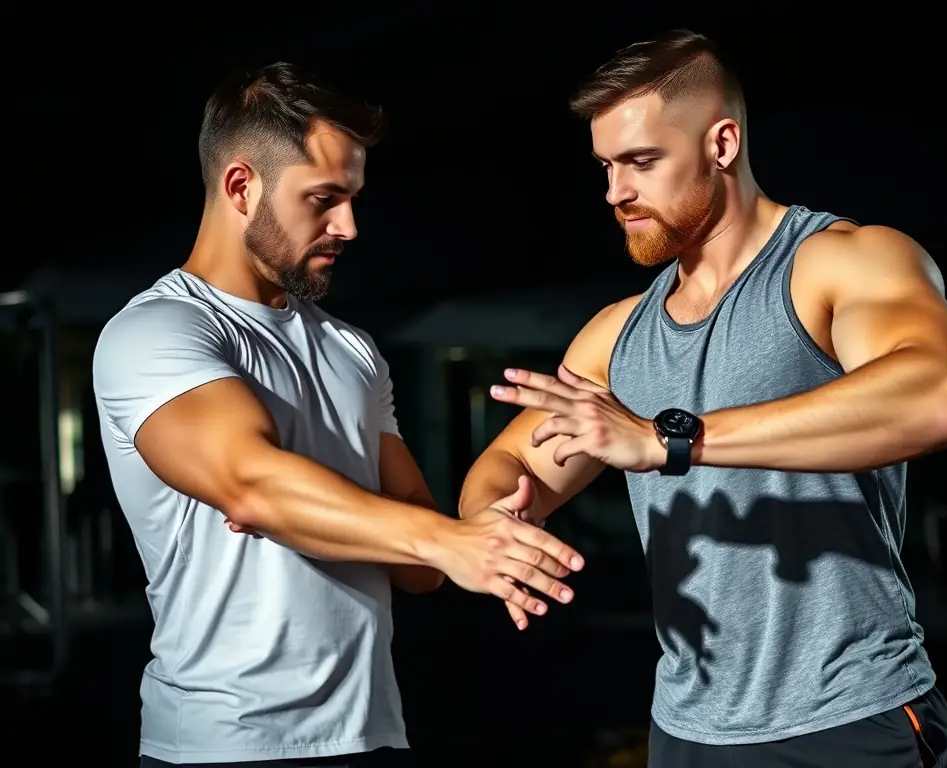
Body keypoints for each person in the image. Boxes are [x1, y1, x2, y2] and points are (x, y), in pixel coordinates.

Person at [458, 30, 947, 768]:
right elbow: (511, 467)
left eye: (641, 162)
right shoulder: (616, 336)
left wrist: (669, 438)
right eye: (606, 167)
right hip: (688, 730)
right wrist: (495, 527)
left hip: (848, 718)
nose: (616, 193)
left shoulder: (839, 262)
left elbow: (942, 398)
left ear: (722, 143)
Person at [91, 62, 584, 768]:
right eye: (323, 199)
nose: (348, 225)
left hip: (373, 735)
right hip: (222, 745)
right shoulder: (159, 332)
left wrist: (480, 531)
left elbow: (421, 562)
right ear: (240, 186)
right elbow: (255, 487)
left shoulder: (351, 348)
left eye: (352, 198)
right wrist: (424, 535)